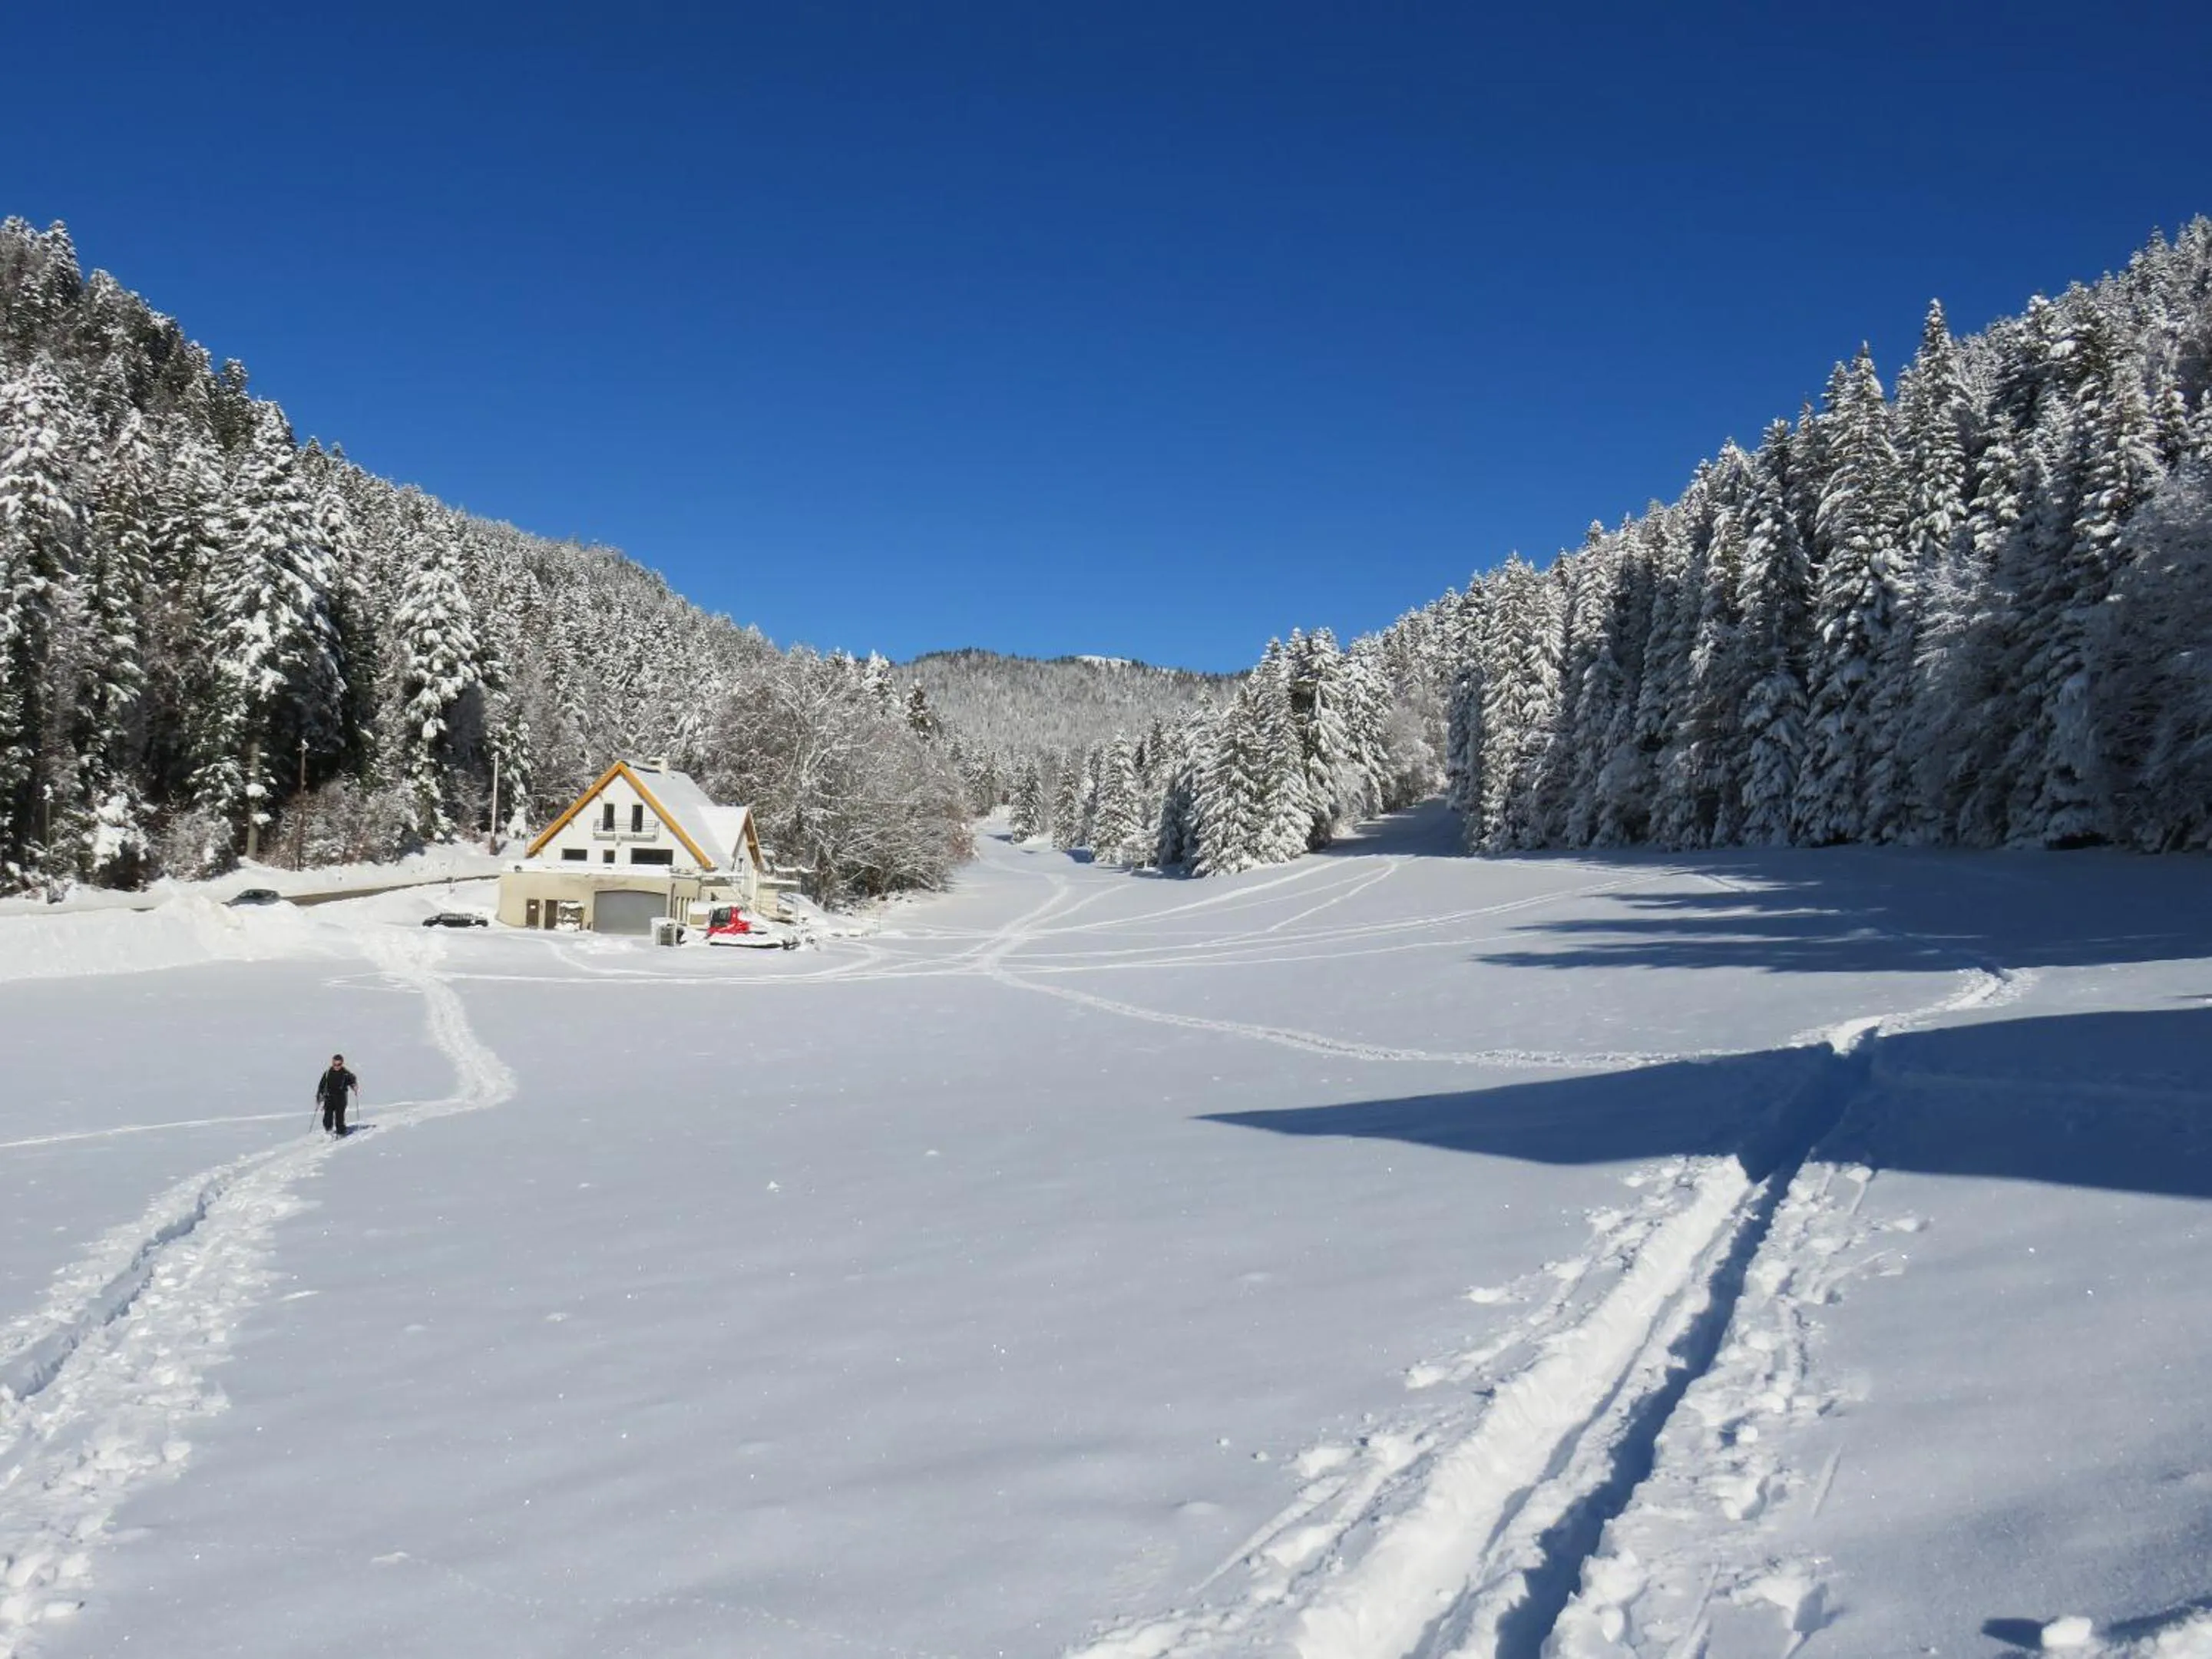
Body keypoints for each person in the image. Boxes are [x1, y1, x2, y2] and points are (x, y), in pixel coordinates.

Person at [316, 1053, 359, 1137]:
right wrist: (319, 1096)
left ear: (342, 1063)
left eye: (338, 1064)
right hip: (329, 1097)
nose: (336, 1066)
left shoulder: (345, 1073)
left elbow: (352, 1079)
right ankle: (328, 1130)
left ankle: (341, 1132)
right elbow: (322, 1085)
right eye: (335, 1064)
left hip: (341, 1097)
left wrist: (354, 1086)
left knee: (339, 1116)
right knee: (327, 1115)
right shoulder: (328, 1072)